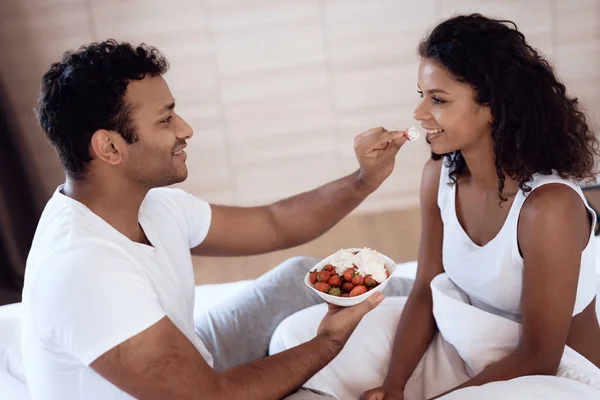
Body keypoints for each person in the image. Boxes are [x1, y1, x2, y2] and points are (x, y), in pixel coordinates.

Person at [20, 39, 415, 400]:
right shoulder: (84, 268)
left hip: (189, 364)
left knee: (295, 277)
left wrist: (364, 180)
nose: (185, 129)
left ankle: (434, 299)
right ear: (109, 147)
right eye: (165, 119)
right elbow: (212, 397)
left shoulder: (151, 205)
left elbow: (275, 223)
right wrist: (327, 342)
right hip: (203, 392)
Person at [270, 14, 600, 400]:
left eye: (438, 100)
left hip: (553, 373)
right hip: (464, 340)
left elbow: (539, 356)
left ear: (492, 105)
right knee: (297, 335)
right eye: (421, 95)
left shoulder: (548, 207)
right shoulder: (440, 174)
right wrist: (393, 385)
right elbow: (425, 290)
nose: (419, 114)